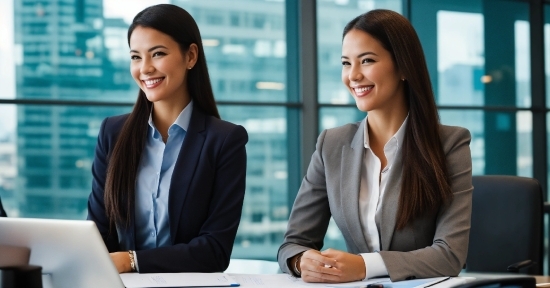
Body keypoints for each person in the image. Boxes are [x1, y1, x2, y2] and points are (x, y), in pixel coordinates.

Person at [277, 9, 472, 283]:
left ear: (403, 66)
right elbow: (293, 244)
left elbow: (450, 255)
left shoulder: (450, 144)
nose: (353, 75)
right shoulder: (331, 145)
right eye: (346, 63)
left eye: (366, 60)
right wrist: (302, 261)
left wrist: (364, 266)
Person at [87, 4, 248, 274]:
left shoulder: (224, 141)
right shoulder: (112, 134)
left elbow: (214, 251)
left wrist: (132, 260)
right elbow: (97, 234)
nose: (145, 68)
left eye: (158, 54)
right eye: (135, 57)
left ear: (191, 56)